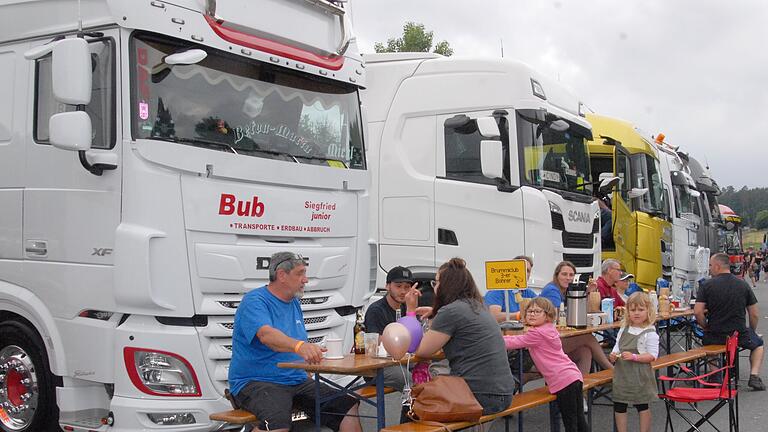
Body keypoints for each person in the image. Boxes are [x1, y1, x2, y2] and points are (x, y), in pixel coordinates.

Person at [228, 252, 362, 432]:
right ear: (282, 275)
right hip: (256, 381)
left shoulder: (293, 302)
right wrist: (300, 347)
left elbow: (295, 344)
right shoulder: (255, 301)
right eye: (300, 273)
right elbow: (266, 335)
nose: (305, 280)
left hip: (294, 380)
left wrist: (309, 359)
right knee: (278, 422)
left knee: (347, 406)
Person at [406, 258, 515, 415]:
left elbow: (422, 352)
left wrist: (411, 311)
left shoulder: (451, 311)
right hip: (504, 392)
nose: (434, 287)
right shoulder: (478, 306)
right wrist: (437, 314)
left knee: (413, 403)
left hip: (478, 395)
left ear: (447, 286)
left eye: (436, 282)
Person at [504, 298, 589, 432]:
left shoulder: (536, 333)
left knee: (570, 422)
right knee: (578, 420)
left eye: (537, 311)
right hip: (573, 376)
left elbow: (515, 342)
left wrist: (495, 338)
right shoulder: (549, 328)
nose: (532, 314)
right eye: (530, 311)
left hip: (563, 381)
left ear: (547, 315)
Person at [695, 253, 765, 391]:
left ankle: (715, 376)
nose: (709, 269)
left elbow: (697, 311)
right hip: (738, 334)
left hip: (715, 333)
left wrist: (705, 326)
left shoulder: (707, 285)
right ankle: (754, 376)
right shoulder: (743, 284)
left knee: (708, 343)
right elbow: (754, 314)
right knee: (759, 345)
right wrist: (752, 330)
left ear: (717, 266)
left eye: (710, 265)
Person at [538, 261, 614, 374]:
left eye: (571, 275)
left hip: (559, 336)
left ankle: (580, 388)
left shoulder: (568, 290)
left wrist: (587, 292)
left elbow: (583, 311)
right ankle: (612, 371)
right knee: (587, 337)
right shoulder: (551, 290)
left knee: (585, 352)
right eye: (564, 274)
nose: (568, 278)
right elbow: (559, 316)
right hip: (547, 340)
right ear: (556, 275)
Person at [609, 292, 659, 432]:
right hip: (622, 374)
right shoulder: (623, 329)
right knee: (620, 404)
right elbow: (618, 346)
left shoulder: (650, 332)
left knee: (642, 405)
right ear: (628, 311)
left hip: (640, 375)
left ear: (648, 311)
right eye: (633, 310)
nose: (636, 313)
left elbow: (653, 355)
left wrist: (635, 357)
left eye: (641, 310)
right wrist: (613, 355)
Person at [484, 255, 538, 322]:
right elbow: (494, 316)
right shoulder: (497, 291)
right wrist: (519, 315)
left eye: (527, 271)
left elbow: (544, 310)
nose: (524, 273)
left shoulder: (528, 292)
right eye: (521, 269)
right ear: (511, 271)